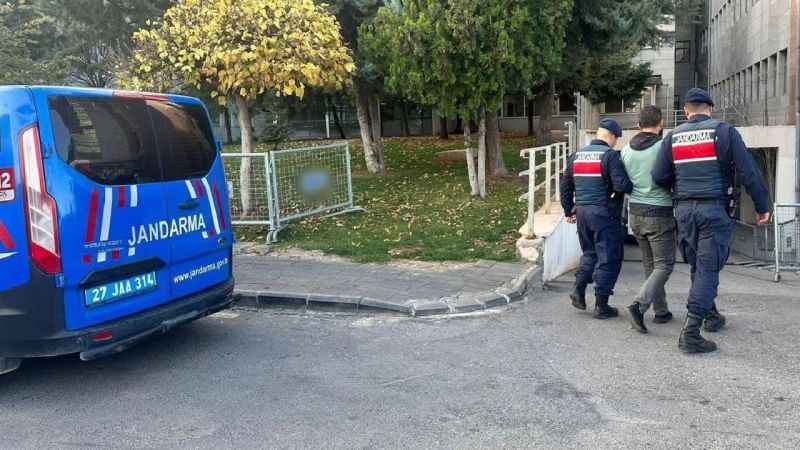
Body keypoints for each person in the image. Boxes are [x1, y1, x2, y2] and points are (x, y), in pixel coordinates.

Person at [652, 88, 770, 354]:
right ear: (710, 109)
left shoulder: (673, 137)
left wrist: (681, 186)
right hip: (713, 210)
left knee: (699, 265)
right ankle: (691, 333)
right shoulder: (724, 132)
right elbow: (749, 172)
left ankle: (711, 314)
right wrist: (762, 206)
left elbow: (658, 176)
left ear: (686, 111)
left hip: (684, 211)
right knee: (707, 268)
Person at [560, 118, 633, 319]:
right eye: (616, 139)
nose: (615, 143)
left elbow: (565, 186)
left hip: (582, 212)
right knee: (609, 257)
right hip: (604, 214)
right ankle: (601, 306)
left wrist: (568, 211)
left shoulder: (576, 156)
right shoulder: (610, 156)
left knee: (590, 253)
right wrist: (628, 186)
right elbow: (621, 185)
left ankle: (578, 289)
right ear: (612, 136)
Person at [620, 106, 675, 333]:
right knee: (665, 265)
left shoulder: (625, 150)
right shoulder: (663, 147)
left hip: (635, 212)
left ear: (638, 124)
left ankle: (661, 311)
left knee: (651, 265)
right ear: (660, 124)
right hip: (659, 212)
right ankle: (639, 305)